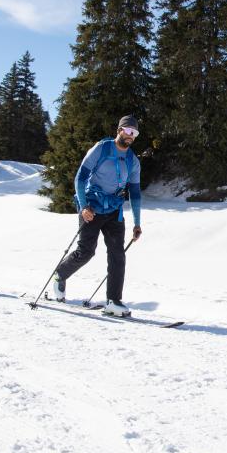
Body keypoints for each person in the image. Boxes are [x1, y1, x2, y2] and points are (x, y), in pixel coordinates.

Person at [53, 115, 143, 316]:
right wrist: (84, 206)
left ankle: (113, 300)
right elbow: (80, 177)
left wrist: (137, 223)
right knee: (86, 251)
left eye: (134, 132)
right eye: (128, 131)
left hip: (114, 210)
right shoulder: (101, 149)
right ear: (119, 130)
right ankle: (60, 275)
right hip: (92, 207)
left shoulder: (133, 161)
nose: (131, 135)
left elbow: (135, 194)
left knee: (118, 255)